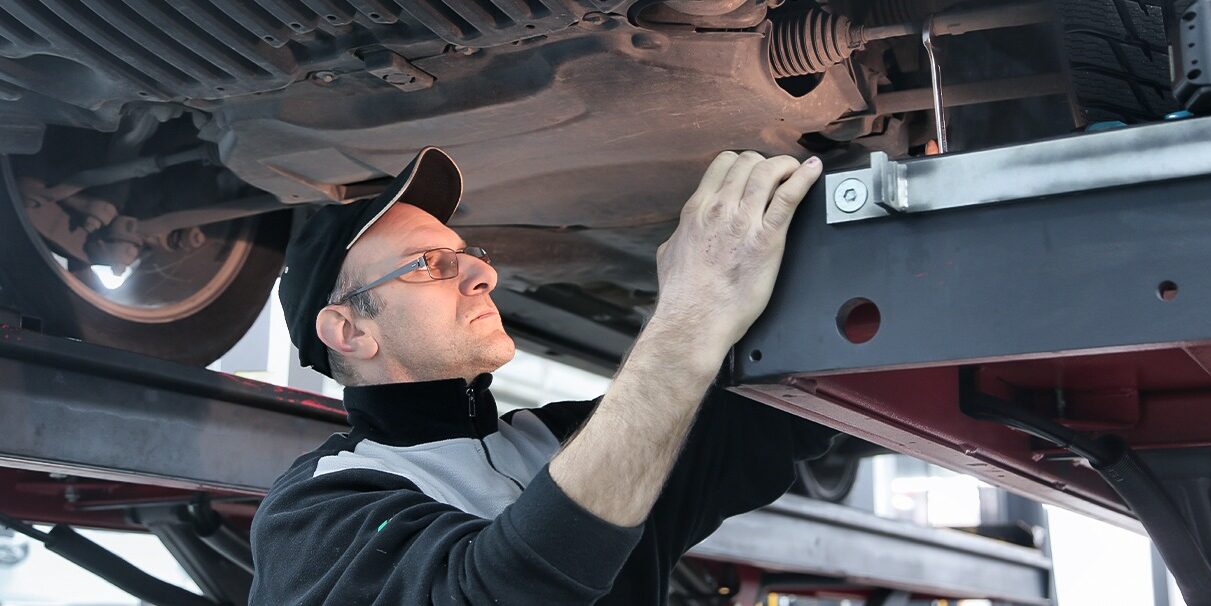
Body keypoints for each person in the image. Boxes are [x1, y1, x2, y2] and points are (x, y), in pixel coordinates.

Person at [249, 146, 838, 605]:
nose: (483, 274)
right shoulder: (317, 510)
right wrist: (691, 313)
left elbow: (786, 411)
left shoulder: (562, 442)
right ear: (349, 332)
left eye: (472, 253)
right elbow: (500, 592)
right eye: (430, 264)